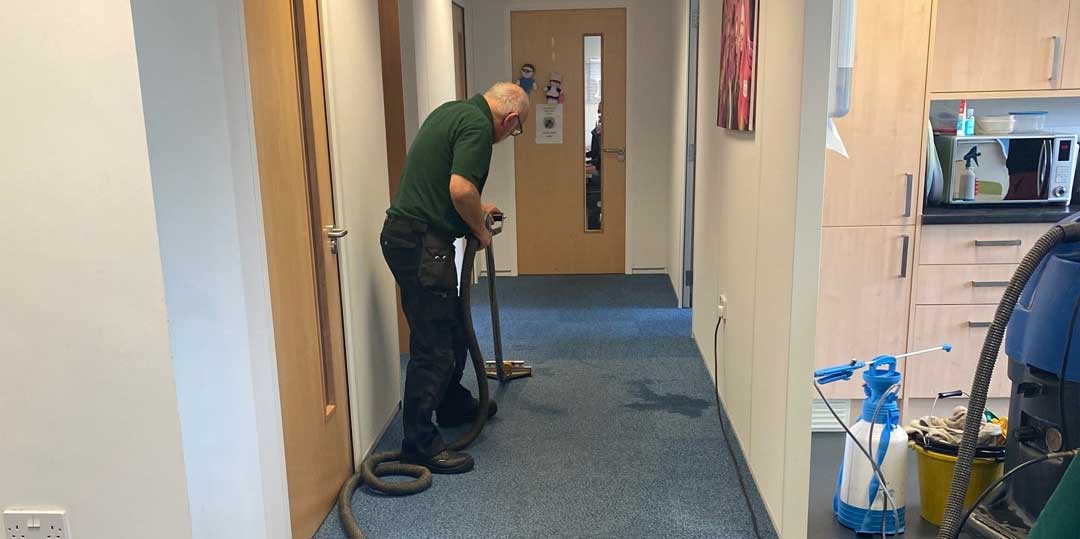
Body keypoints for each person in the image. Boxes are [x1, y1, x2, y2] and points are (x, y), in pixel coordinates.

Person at [380, 82, 530, 473]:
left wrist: (481, 207)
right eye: (515, 130)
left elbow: (447, 183)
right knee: (433, 346)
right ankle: (418, 443)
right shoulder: (479, 128)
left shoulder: (454, 111)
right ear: (510, 118)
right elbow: (460, 187)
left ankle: (450, 403)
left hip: (412, 237)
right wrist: (481, 231)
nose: (509, 136)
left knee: (454, 329)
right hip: (419, 243)